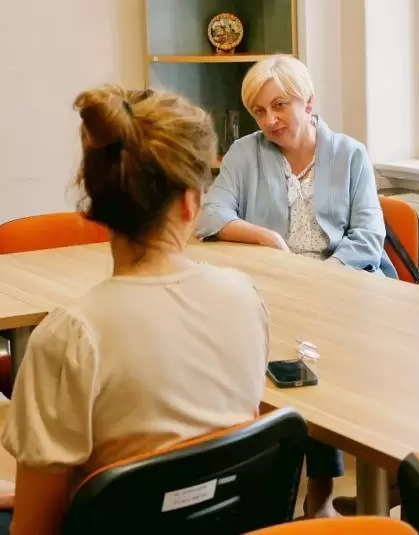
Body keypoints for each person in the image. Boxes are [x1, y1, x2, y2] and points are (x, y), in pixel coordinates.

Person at [0, 84, 323, 535]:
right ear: (191, 203)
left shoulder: (69, 337)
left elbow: (36, 529)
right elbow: (190, 460)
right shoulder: (244, 299)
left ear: (94, 202)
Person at [196, 55, 396, 278]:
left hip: (342, 276)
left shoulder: (351, 154)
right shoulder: (243, 153)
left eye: (279, 105)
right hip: (272, 275)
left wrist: (324, 274)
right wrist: (268, 238)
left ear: (308, 103)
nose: (269, 120)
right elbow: (210, 215)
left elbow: (368, 235)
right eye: (259, 111)